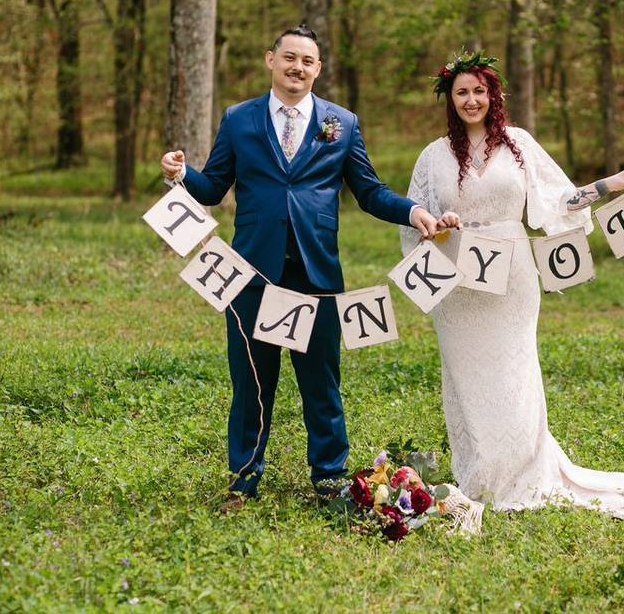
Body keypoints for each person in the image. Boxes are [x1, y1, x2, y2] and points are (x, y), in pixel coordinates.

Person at [400, 52, 624, 518]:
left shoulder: (518, 145)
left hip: (510, 277)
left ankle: (525, 471)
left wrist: (606, 185)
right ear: (450, 100)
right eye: (462, 93)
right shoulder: (433, 156)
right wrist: (440, 224)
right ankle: (479, 475)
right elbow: (414, 221)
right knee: (466, 383)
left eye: (479, 91)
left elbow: (558, 201)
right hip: (458, 286)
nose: (472, 100)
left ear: (494, 95)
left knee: (514, 376)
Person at [161, 25, 440, 512]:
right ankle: (244, 479)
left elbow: (369, 191)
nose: (298, 67)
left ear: (319, 69)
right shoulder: (239, 119)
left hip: (317, 277)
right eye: (289, 57)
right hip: (249, 274)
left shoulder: (342, 123)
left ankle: (330, 479)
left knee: (321, 382)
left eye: (308, 61)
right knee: (251, 383)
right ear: (271, 59)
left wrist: (412, 210)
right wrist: (181, 175)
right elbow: (212, 189)